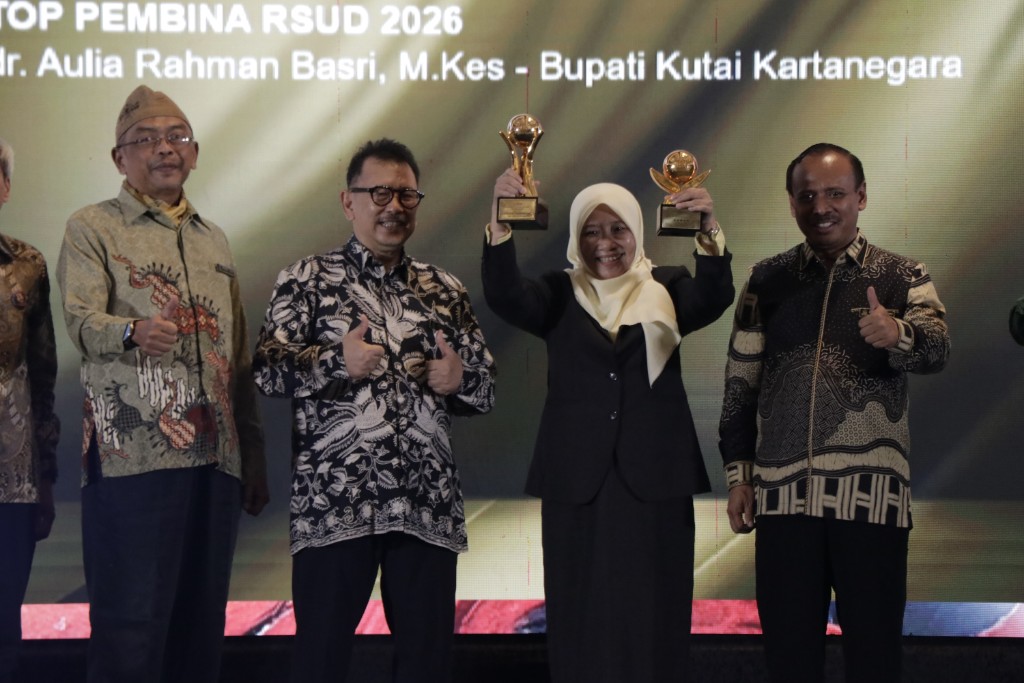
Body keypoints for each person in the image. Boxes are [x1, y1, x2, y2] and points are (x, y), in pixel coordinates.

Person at [252, 138, 496, 683]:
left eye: (407, 195)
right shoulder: (306, 280)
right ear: (349, 201)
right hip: (334, 507)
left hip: (425, 509)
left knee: (427, 666)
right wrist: (334, 361)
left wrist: (460, 380)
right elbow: (266, 369)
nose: (394, 206)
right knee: (320, 662)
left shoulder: (444, 289)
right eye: (379, 193)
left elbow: (485, 389)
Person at [482, 169, 735, 683]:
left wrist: (709, 230)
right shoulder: (557, 292)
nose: (605, 243)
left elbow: (713, 297)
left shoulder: (668, 286)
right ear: (576, 238)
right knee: (581, 611)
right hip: (577, 483)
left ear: (637, 231)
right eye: (591, 231)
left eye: (618, 229)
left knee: (656, 609)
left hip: (655, 479)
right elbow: (507, 296)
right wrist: (500, 225)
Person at [56, 86, 269, 683]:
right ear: (119, 158)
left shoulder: (213, 239)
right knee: (131, 630)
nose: (164, 149)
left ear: (194, 153)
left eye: (177, 137)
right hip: (134, 461)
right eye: (146, 139)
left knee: (199, 628)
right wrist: (133, 332)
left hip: (216, 460)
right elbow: (79, 320)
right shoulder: (92, 227)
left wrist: (252, 453)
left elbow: (238, 356)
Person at [718, 143, 950, 683]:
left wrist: (899, 334)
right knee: (789, 660)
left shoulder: (903, 274)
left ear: (861, 197)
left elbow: (938, 348)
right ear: (791, 202)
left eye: (835, 194)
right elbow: (740, 385)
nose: (820, 207)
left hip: (871, 504)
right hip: (783, 501)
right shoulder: (765, 280)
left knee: (874, 658)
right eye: (807, 196)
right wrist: (739, 477)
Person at [0, 137, 60, 683]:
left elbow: (43, 377)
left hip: (12, 482)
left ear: (5, 187)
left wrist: (46, 478)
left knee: (3, 632)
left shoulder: (27, 265)